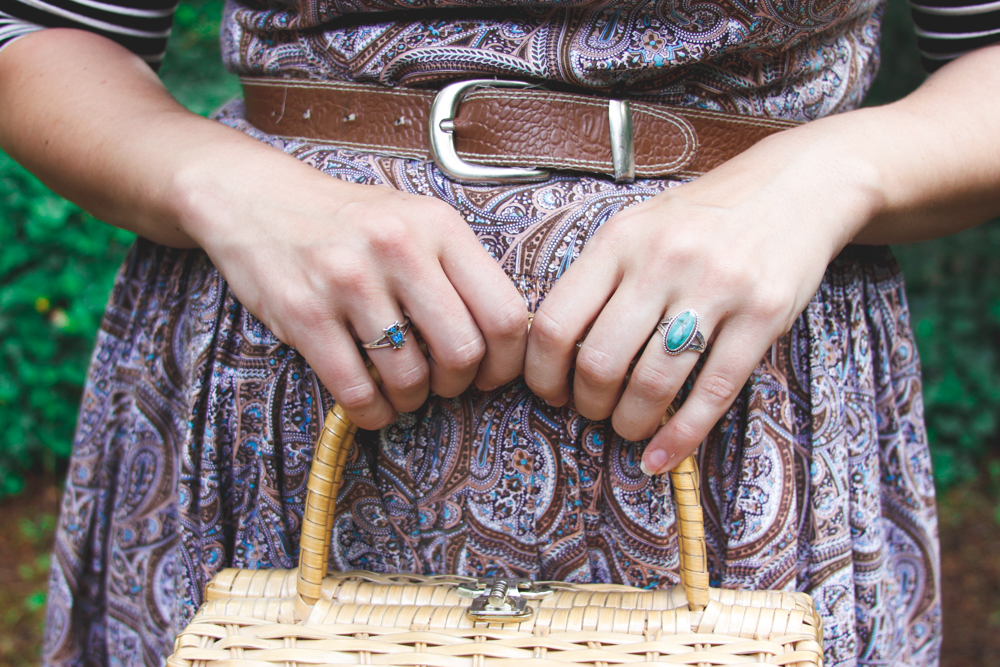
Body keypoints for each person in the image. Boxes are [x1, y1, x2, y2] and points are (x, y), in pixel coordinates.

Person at [0, 0, 997, 664]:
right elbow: (41, 27)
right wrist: (210, 178)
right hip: (287, 363)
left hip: (733, 392)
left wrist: (828, 176)